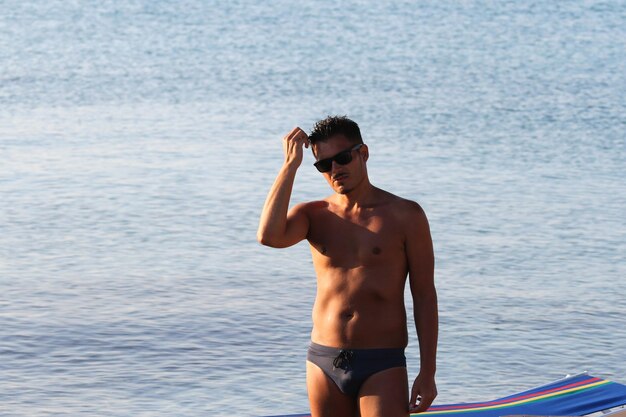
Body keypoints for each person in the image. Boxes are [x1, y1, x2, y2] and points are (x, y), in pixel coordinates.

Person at [257, 116, 438, 417]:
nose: (335, 170)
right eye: (324, 165)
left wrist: (427, 372)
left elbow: (424, 295)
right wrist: (290, 166)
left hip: (382, 361)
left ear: (363, 153)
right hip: (323, 359)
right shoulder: (314, 215)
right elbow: (268, 236)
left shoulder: (406, 215)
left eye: (342, 158)